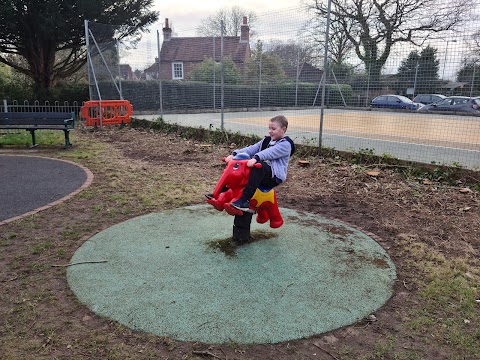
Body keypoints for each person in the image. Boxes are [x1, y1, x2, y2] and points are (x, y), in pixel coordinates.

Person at [218, 115, 295, 212]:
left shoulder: (285, 144)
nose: (270, 131)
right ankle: (221, 192)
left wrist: (256, 158)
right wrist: (234, 154)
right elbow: (251, 149)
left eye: (273, 129)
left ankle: (245, 199)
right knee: (238, 165)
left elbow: (270, 152)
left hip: (273, 176)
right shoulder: (267, 140)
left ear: (283, 130)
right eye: (269, 128)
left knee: (259, 167)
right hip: (261, 169)